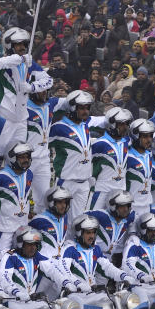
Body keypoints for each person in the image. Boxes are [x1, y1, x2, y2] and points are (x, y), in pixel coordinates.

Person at [0, 226, 73, 309]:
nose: (33, 248)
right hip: (13, 302)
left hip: (31, 301)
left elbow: (52, 270)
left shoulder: (36, 256)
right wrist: (17, 292)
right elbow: (4, 279)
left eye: (35, 244)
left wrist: (67, 282)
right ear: (20, 244)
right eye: (29, 244)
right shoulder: (10, 257)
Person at [0, 27, 54, 153]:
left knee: (19, 153)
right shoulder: (4, 63)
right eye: (18, 44)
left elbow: (49, 80)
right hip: (5, 117)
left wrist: (32, 87)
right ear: (9, 45)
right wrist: (22, 59)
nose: (22, 47)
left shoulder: (30, 64)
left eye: (24, 44)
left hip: (22, 118)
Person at [60, 214, 134, 309]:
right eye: (88, 233)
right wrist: (78, 284)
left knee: (116, 306)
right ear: (79, 233)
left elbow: (108, 267)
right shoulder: (70, 249)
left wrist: (124, 276)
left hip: (93, 293)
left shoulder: (96, 249)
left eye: (94, 232)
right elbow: (63, 270)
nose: (92, 236)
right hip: (75, 295)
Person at [50, 90, 97, 221]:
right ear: (72, 108)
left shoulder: (85, 125)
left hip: (84, 183)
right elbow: (41, 144)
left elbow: (103, 121)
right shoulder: (59, 127)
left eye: (87, 108)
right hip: (66, 182)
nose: (85, 111)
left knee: (77, 221)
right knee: (59, 218)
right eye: (81, 108)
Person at [26, 86, 69, 213]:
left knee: (44, 199)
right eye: (40, 90)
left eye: (45, 89)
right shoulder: (23, 107)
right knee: (21, 199)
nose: (44, 92)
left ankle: (40, 229)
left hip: (43, 159)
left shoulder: (51, 103)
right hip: (25, 159)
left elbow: (71, 100)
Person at [0, 142, 35, 254]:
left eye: (27, 156)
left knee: (18, 261)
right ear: (12, 158)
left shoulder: (29, 174)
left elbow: (28, 195)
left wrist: (31, 208)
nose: (26, 160)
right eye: (22, 157)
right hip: (3, 230)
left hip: (22, 228)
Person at [90, 107, 133, 210]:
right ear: (111, 124)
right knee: (93, 220)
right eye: (121, 124)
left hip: (120, 191)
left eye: (127, 124)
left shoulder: (127, 142)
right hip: (102, 191)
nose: (125, 127)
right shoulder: (99, 143)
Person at [89, 190, 136, 265]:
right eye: (122, 206)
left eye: (127, 206)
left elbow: (138, 220)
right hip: (92, 259)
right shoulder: (102, 215)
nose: (126, 209)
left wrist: (133, 234)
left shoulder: (129, 217)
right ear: (113, 206)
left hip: (108, 260)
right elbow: (81, 218)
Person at [30, 186, 73, 260]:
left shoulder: (64, 217)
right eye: (60, 202)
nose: (63, 206)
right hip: (45, 261)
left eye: (65, 202)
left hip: (60, 259)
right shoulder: (40, 219)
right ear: (51, 203)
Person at [126, 118, 155, 218]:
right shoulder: (127, 156)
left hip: (147, 207)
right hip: (131, 207)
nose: (149, 140)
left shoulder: (149, 155)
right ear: (135, 136)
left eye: (150, 136)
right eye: (145, 136)